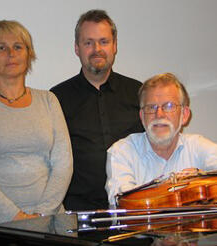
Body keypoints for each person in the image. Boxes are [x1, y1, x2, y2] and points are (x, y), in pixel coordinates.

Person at [0, 20, 73, 246]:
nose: (11, 53)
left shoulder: (48, 100)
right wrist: (16, 218)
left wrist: (40, 217)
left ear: (29, 55)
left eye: (18, 46)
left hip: (51, 223)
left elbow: (63, 164)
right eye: (1, 47)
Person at [105, 73, 217, 205]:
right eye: (151, 107)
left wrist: (204, 180)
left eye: (169, 106)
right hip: (141, 235)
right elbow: (125, 204)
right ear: (142, 116)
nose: (159, 114)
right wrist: (177, 191)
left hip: (195, 233)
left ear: (185, 115)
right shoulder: (121, 152)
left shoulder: (197, 145)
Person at [51, 9, 144, 210]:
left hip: (133, 211)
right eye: (88, 42)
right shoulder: (56, 99)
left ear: (115, 46)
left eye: (104, 41)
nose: (97, 49)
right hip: (77, 215)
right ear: (77, 48)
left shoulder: (139, 93)